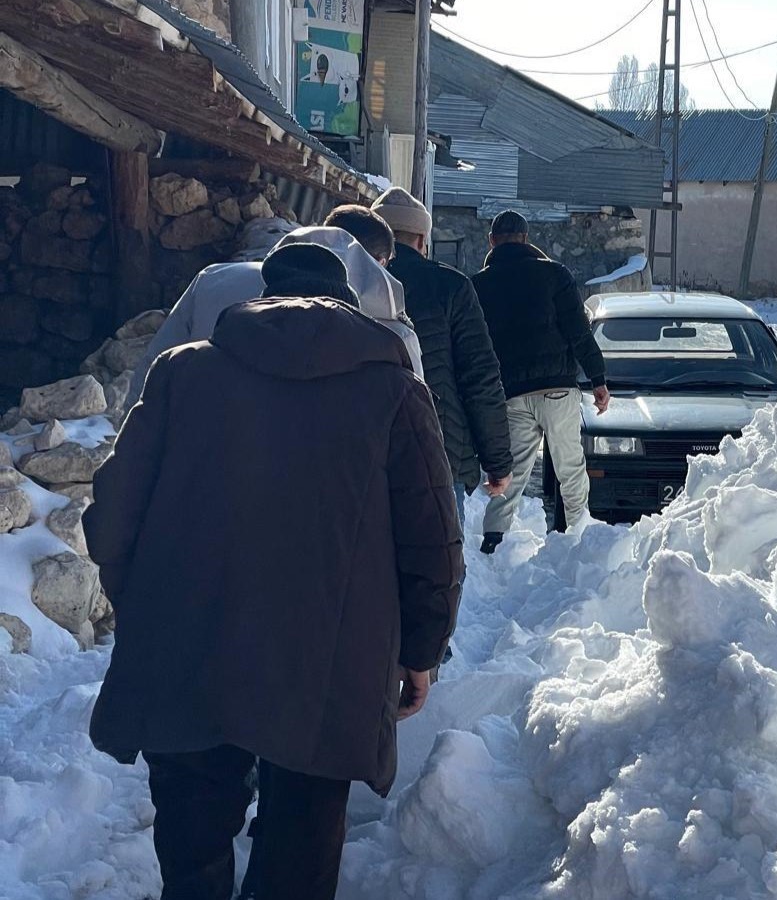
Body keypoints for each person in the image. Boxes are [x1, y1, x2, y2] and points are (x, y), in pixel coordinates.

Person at [83, 244, 464, 900]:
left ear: (257, 297)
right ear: (348, 304)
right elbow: (433, 539)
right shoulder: (394, 390)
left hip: (190, 642)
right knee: (304, 832)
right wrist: (421, 651)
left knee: (193, 828)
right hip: (331, 659)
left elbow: (111, 515)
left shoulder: (182, 373)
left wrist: (142, 604)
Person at [124, 214, 422, 410]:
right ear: (379, 262)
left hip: (207, 476)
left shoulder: (216, 283)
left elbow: (149, 383)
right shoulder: (393, 331)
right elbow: (417, 440)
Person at [472, 210, 610, 554]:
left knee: (513, 471)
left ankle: (493, 541)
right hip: (557, 389)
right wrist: (598, 378)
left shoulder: (478, 285)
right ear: (526, 237)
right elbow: (578, 331)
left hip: (510, 394)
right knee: (570, 468)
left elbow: (473, 345)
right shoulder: (554, 275)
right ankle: (579, 540)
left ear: (491, 241)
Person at [373, 187, 513, 518]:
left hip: (363, 455)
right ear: (422, 240)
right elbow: (480, 377)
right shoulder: (450, 287)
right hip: (437, 454)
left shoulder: (345, 283)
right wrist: (497, 461)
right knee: (441, 562)